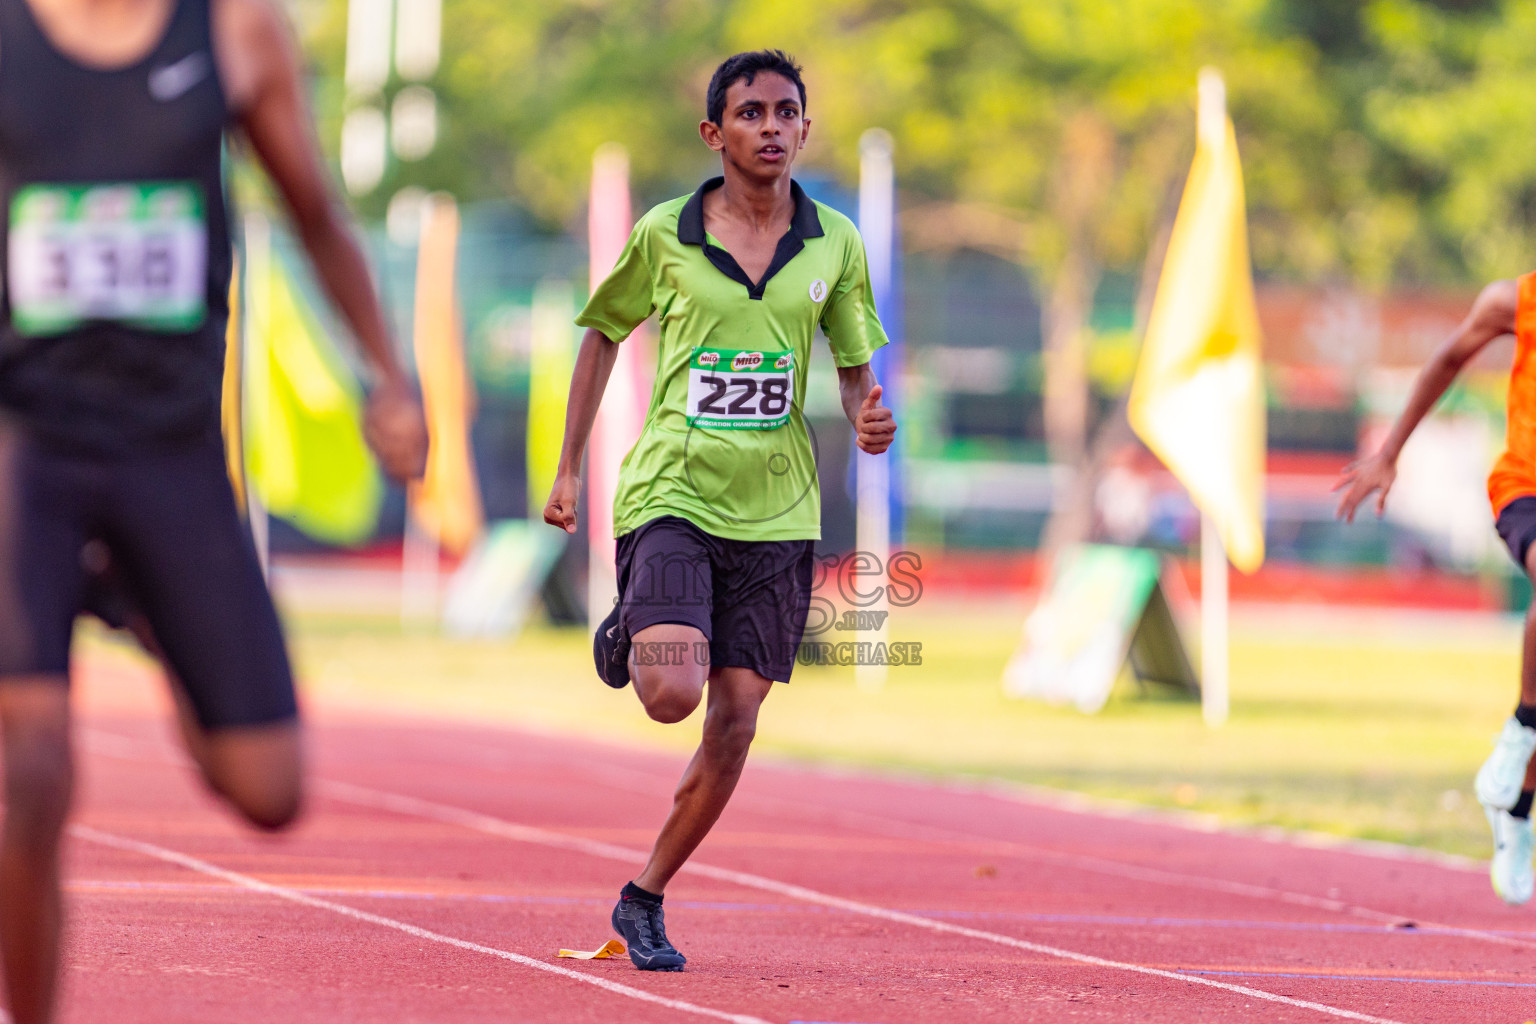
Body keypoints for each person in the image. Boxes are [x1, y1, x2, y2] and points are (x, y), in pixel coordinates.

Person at [0, 0, 427, 1020]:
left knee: (269, 791)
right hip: (25, 445)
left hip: (168, 447)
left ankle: (138, 605)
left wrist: (388, 373)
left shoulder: (235, 31)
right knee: (32, 765)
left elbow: (316, 214)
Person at [544, 49, 896, 971]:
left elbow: (856, 366)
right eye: (752, 114)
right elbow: (601, 333)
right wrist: (570, 467)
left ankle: (644, 898)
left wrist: (868, 413)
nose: (772, 127)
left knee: (734, 723)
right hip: (675, 491)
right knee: (671, 693)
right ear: (716, 132)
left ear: (805, 129)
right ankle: (635, 624)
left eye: (787, 113)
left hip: (778, 511)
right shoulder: (665, 234)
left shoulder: (836, 244)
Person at [1335, 276, 1536, 906]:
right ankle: (1521, 733)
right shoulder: (1517, 300)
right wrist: (1389, 452)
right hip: (1525, 487)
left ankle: (1517, 802)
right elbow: (1449, 357)